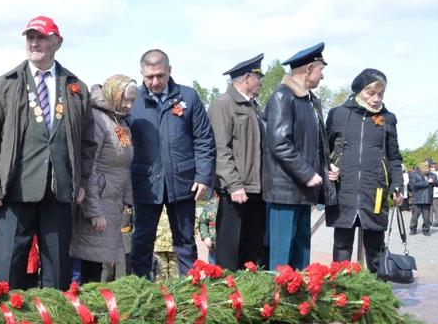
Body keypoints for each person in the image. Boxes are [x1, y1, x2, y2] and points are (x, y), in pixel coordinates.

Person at [0, 16, 96, 290]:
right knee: (6, 268)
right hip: (14, 190)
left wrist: (81, 182)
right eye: (30, 37)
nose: (34, 42)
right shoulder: (4, 84)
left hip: (59, 191)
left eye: (41, 37)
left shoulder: (75, 87)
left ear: (58, 42)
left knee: (57, 272)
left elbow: (88, 143)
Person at [127, 49, 215, 279]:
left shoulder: (189, 97)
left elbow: (204, 139)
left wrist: (204, 176)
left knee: (185, 242)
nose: (154, 82)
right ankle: (141, 294)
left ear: (169, 71)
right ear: (141, 74)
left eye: (159, 75)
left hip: (183, 184)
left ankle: (190, 295)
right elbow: (121, 140)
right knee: (142, 241)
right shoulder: (132, 101)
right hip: (145, 183)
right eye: (149, 77)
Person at [263, 42, 338, 270]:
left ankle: (299, 301)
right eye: (320, 70)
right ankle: (278, 302)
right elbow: (278, 142)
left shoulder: (310, 100)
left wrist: (326, 167)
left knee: (301, 251)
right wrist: (307, 173)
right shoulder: (282, 96)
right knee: (282, 256)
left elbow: (314, 143)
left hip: (304, 190)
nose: (322, 77)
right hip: (285, 191)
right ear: (308, 69)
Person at [325, 69, 404, 271]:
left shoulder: (388, 118)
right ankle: (340, 293)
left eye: (381, 94)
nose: (376, 99)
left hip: (375, 191)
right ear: (359, 91)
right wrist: (328, 168)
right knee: (341, 246)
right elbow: (323, 150)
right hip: (344, 190)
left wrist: (397, 186)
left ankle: (378, 292)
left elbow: (394, 157)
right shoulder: (338, 114)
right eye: (371, 93)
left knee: (375, 248)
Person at [69, 74, 136, 283]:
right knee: (86, 268)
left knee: (97, 267)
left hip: (112, 203)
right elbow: (89, 166)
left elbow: (124, 164)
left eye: (133, 100)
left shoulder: (119, 122)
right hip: (96, 202)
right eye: (126, 99)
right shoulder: (98, 119)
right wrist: (94, 211)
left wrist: (127, 200)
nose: (129, 105)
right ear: (113, 94)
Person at [207, 53, 267, 270]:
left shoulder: (255, 107)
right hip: (236, 191)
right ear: (247, 78)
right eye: (258, 78)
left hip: (256, 189)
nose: (261, 82)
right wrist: (234, 184)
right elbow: (220, 149)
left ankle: (247, 296)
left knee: (251, 250)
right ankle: (226, 296)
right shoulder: (223, 104)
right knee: (229, 251)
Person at [408, 162, 438, 236]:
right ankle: (413, 229)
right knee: (415, 217)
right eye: (426, 168)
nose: (428, 170)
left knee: (426, 217)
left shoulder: (432, 175)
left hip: (427, 199)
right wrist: (427, 183)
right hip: (417, 199)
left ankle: (426, 230)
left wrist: (433, 181)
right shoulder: (414, 175)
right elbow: (414, 185)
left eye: (428, 168)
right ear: (421, 168)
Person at [196, 191, 218, 265]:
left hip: (231, 248)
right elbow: (203, 223)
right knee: (214, 271)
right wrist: (206, 237)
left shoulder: (234, 203)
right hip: (214, 247)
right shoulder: (210, 204)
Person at [430, 162, 438, 227]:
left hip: (436, 194)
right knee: (430, 208)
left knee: (436, 209)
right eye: (431, 167)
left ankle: (437, 221)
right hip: (430, 194)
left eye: (432, 167)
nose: (431, 168)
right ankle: (430, 221)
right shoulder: (429, 174)